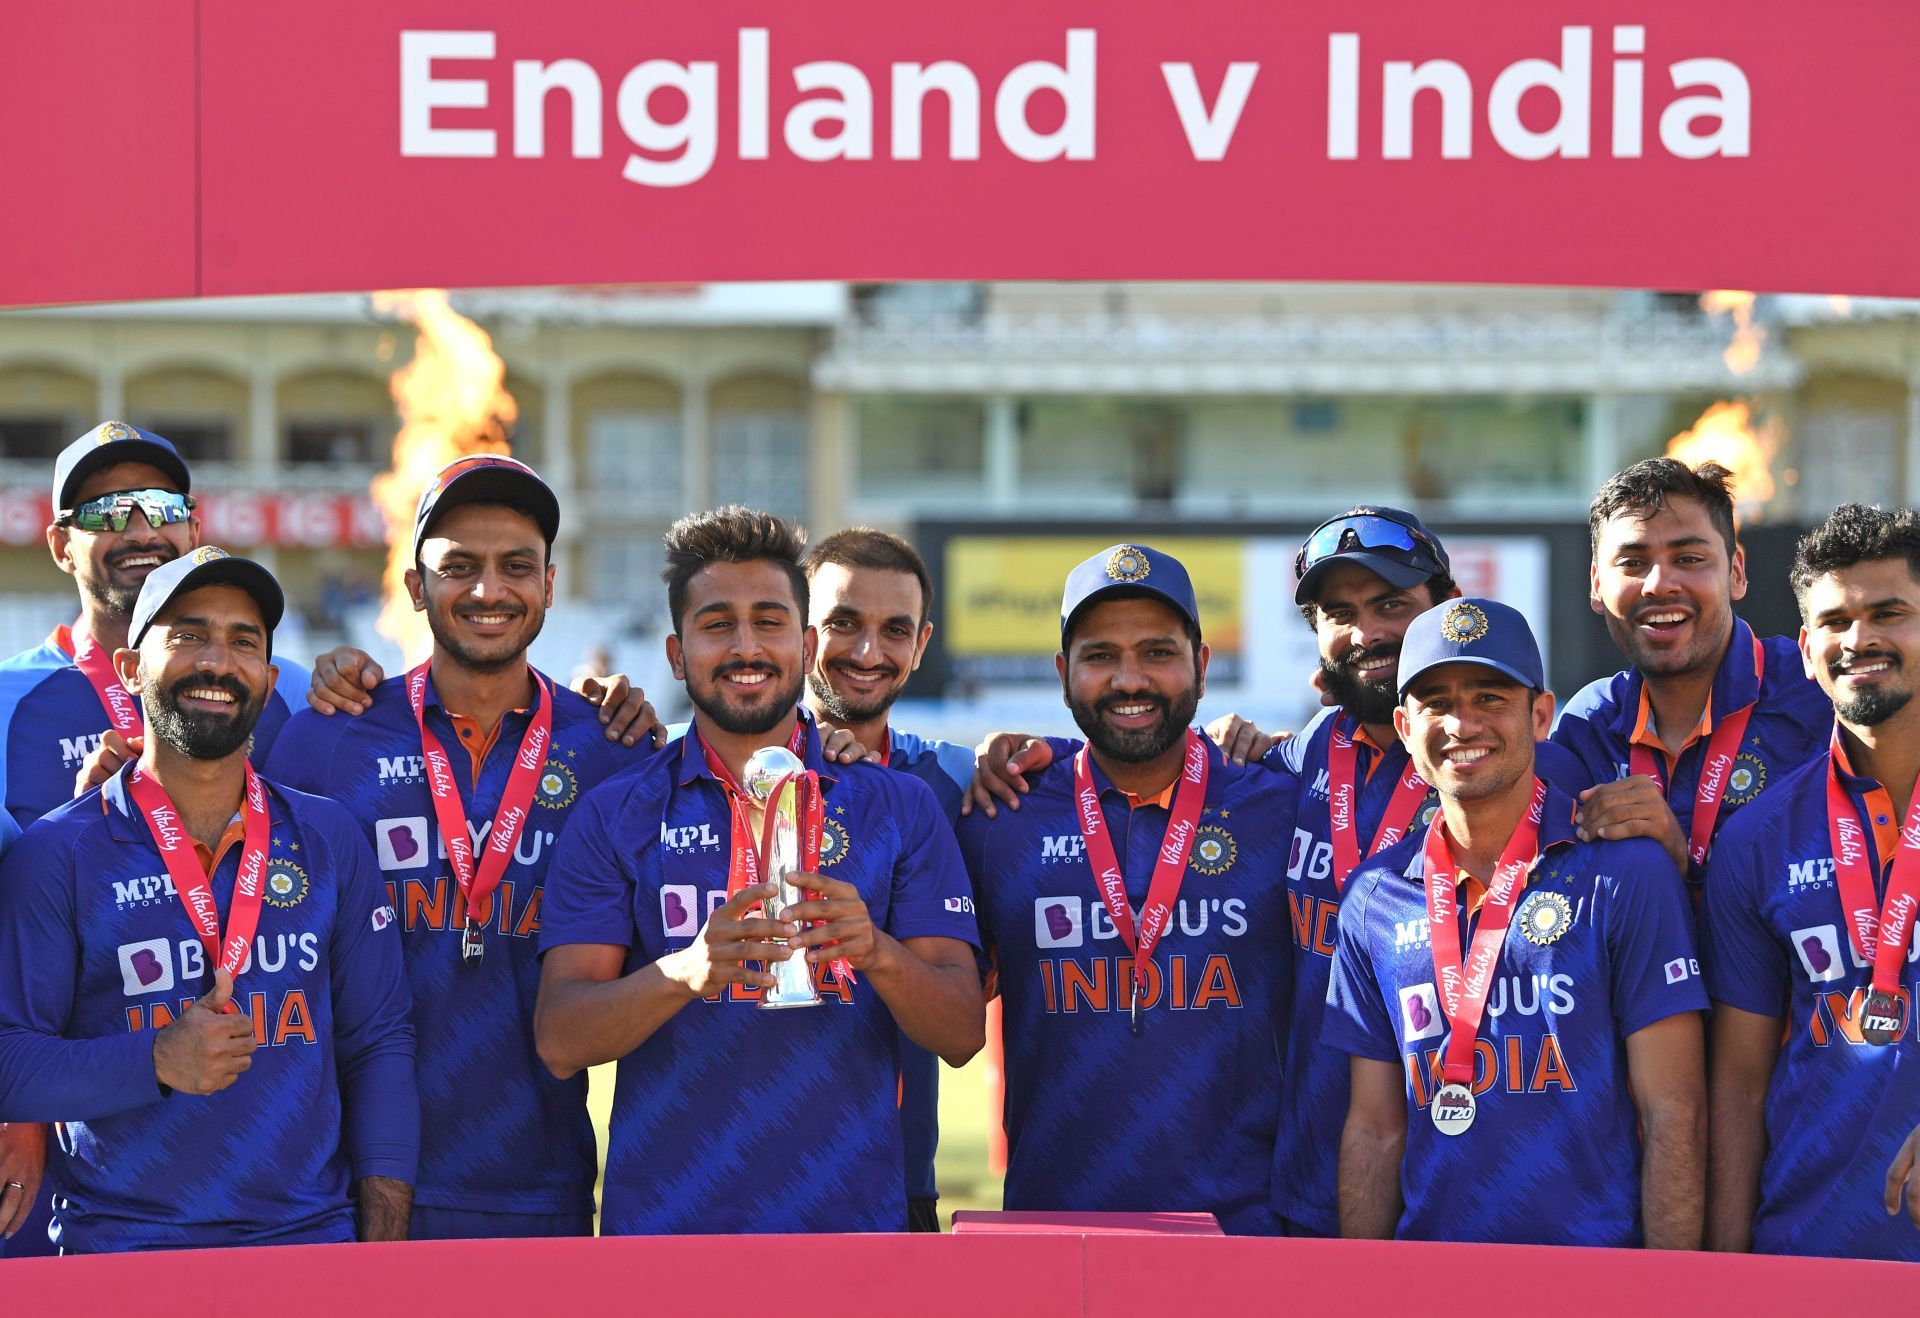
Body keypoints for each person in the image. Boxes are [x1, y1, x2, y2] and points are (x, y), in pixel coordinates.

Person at [533, 507, 983, 1234]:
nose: (746, 646)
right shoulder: (617, 811)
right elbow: (561, 1039)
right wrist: (686, 972)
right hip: (665, 1237)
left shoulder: (900, 806)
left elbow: (961, 1033)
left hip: (852, 1236)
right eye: (717, 624)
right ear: (677, 657)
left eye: (769, 621)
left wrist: (878, 953)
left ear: (806, 645)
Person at [264, 455, 647, 1240]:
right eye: (458, 568)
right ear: (414, 589)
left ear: (547, 584)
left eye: (516, 567)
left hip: (542, 1191)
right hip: (345, 1188)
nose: (488, 591)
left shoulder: (611, 750)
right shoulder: (327, 739)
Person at [0, 548, 416, 1252]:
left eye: (243, 642)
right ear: (132, 668)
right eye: (188, 635)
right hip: (121, 1253)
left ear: (268, 678)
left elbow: (378, 1042)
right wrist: (155, 1060)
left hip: (307, 1246)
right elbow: (11, 1064)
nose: (218, 662)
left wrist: (382, 1230)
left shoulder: (329, 837)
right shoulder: (55, 852)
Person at [0, 420, 317, 1257]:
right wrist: (20, 1112)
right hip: (66, 1144)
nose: (141, 530)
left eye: (163, 507)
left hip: (261, 1150)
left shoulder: (259, 699)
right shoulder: (10, 702)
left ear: (195, 526)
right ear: (63, 543)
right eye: (108, 513)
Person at [1327, 598, 1706, 1248]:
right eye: (1436, 702)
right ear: (1404, 723)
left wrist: (1668, 1296)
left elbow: (1675, 1114)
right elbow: (1374, 1128)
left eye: (1489, 697)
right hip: (1431, 1280)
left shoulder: (1626, 873)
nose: (1461, 722)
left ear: (1540, 714)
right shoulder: (1372, 897)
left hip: (1593, 1279)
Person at [957, 543, 1295, 1234]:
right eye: (1100, 656)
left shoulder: (1281, 809)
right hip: (1052, 1236)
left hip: (1245, 1233)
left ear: (1202, 665)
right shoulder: (1001, 814)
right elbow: (952, 1006)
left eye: (1157, 653)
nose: (1129, 679)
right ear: (1063, 673)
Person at [1704, 503, 1920, 1261]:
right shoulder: (1757, 839)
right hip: (1810, 1257)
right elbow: (1738, 1085)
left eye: (1889, 613)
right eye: (1834, 621)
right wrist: (1728, 1273)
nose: (1859, 639)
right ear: (1804, 648)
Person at [803, 527, 973, 1232]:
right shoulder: (699, 770)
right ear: (798, 625)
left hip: (891, 1187)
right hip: (707, 1193)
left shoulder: (959, 783)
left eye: (894, 630)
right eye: (844, 623)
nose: (868, 653)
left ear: (922, 644)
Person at [1554, 459, 1830, 882]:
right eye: (1632, 562)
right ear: (1596, 585)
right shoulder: (1584, 726)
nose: (1659, 584)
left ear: (1736, 573)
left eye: (1688, 557)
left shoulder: (1819, 692)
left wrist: (1685, 860)